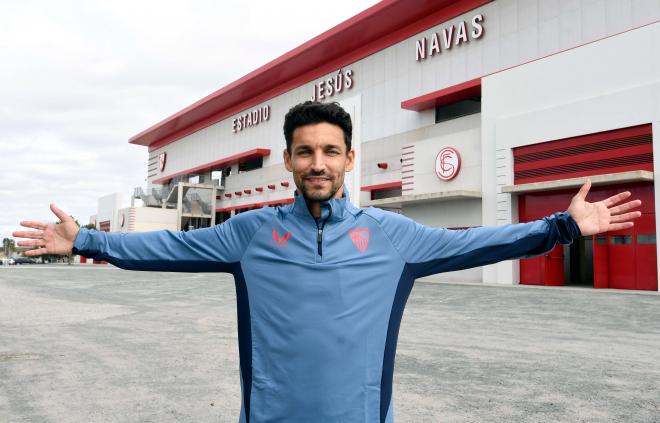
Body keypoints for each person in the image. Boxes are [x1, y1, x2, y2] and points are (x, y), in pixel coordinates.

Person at [14, 101, 641, 423]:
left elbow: (477, 241)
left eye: (331, 152)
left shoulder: (394, 237)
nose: (318, 162)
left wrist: (561, 225)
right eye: (305, 151)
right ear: (287, 160)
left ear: (349, 160)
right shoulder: (249, 234)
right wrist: (90, 241)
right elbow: (165, 248)